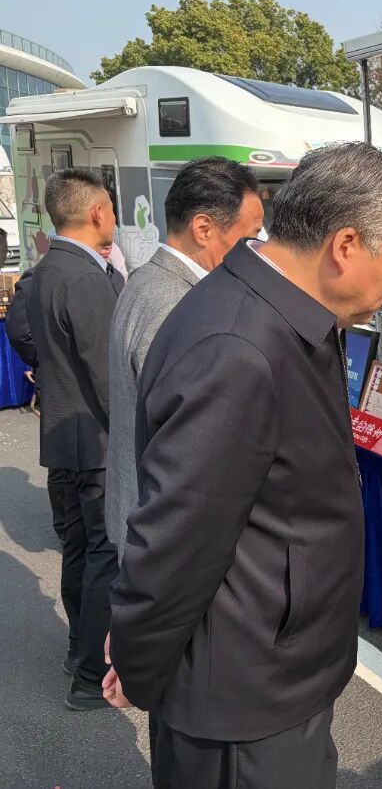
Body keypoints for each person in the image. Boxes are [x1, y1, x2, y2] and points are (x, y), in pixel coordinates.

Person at [107, 142, 382, 788]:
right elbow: (176, 540)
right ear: (345, 245)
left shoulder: (285, 314)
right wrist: (139, 663)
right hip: (241, 701)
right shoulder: (238, 346)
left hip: (274, 671)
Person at [105, 157, 263, 561]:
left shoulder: (145, 279)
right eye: (250, 237)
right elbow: (188, 449)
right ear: (203, 228)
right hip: (163, 535)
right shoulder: (180, 305)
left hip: (140, 515)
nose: (257, 250)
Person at [27, 169, 122, 710]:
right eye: (110, 208)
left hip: (64, 434)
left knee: (82, 553)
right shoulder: (84, 277)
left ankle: (77, 650)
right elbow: (108, 376)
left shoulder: (48, 268)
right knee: (105, 557)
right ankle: (91, 674)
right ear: (96, 212)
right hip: (97, 440)